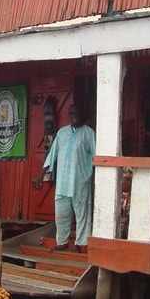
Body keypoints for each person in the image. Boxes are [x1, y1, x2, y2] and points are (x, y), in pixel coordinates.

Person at [32, 104, 96, 253]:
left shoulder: (89, 133)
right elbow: (52, 155)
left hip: (80, 181)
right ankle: (62, 242)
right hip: (63, 182)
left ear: (83, 114)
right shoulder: (62, 133)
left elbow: (96, 157)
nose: (74, 115)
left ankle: (80, 244)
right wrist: (41, 175)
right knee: (61, 214)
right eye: (71, 113)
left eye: (77, 112)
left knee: (82, 214)